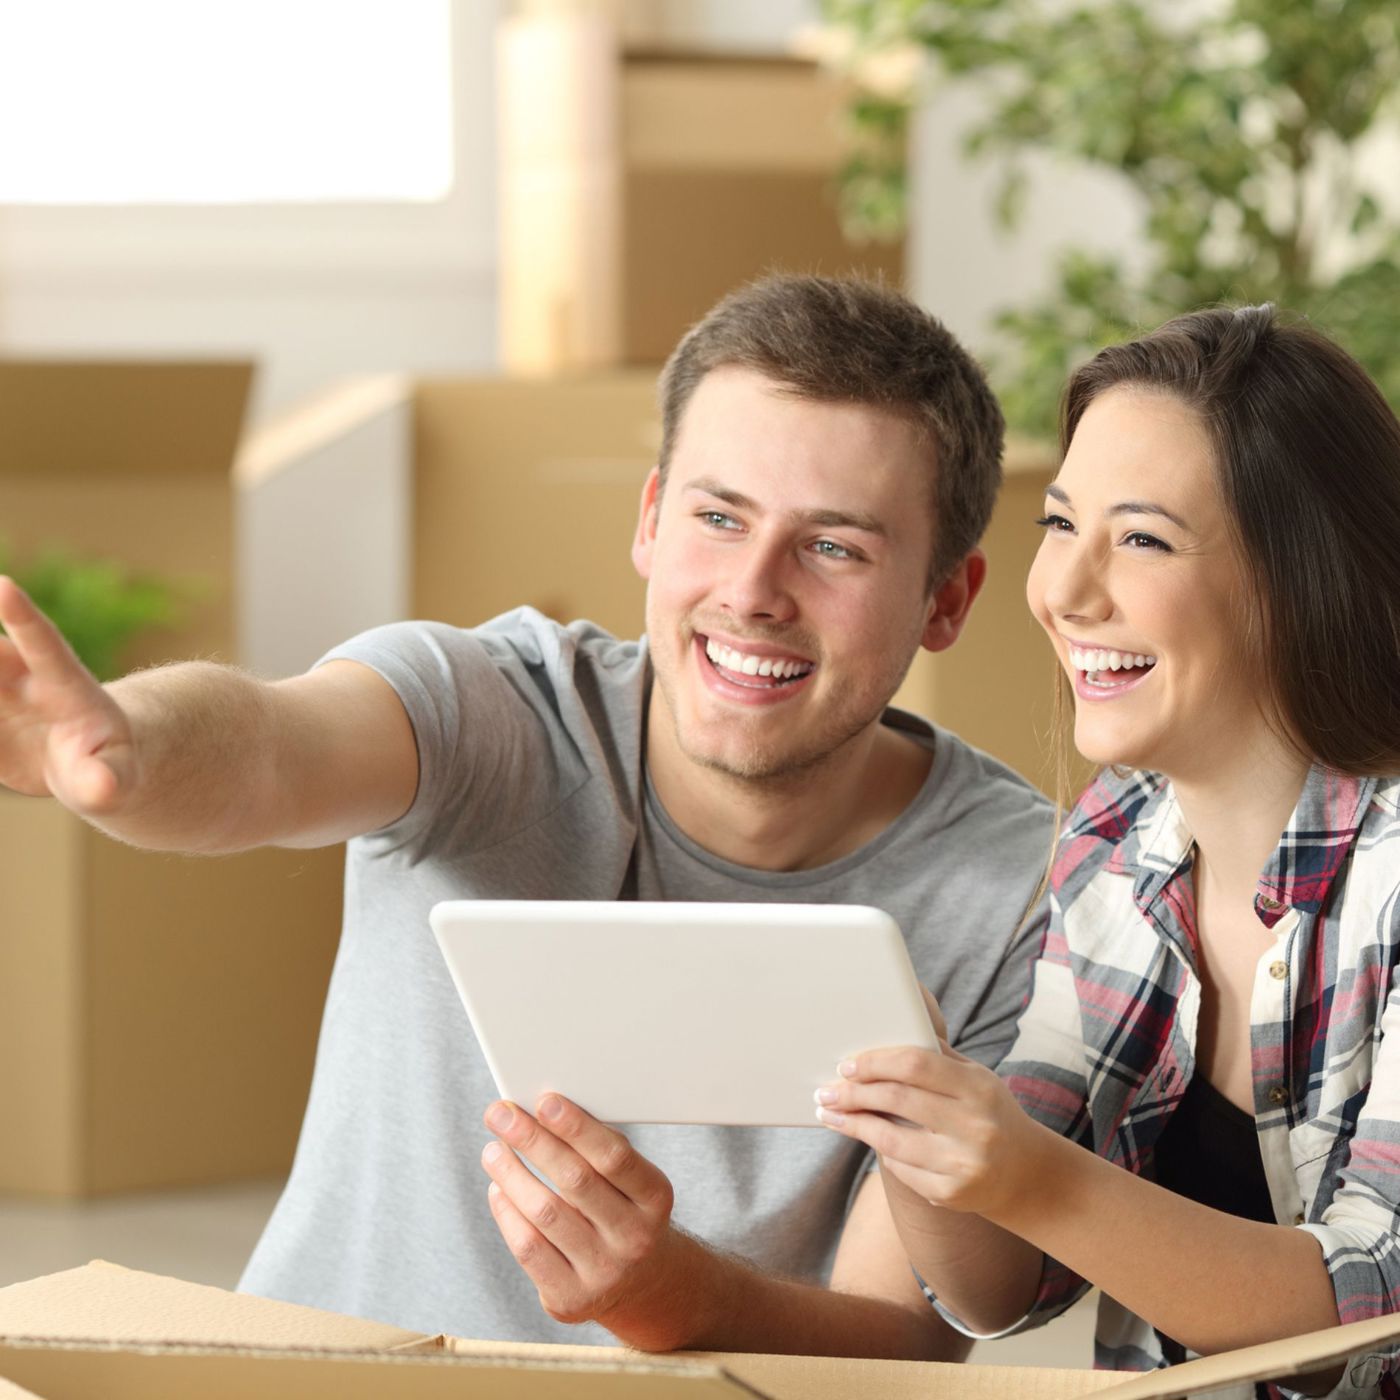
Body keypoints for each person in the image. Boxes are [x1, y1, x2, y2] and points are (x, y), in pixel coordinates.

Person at [0, 275, 1053, 1358]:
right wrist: (126, 747)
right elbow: (270, 744)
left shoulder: (1013, 887)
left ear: (944, 600)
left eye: (833, 546)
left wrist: (665, 1294)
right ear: (650, 520)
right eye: (717, 516)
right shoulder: (492, 707)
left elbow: (900, 1344)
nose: (752, 589)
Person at [813, 304, 1400, 1394]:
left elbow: (1370, 1313)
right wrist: (922, 1137)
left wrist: (1028, 1173)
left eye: (1138, 538)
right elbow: (1004, 1286)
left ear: (1296, 575)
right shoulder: (1112, 845)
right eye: (1057, 524)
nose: (1063, 593)